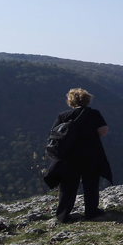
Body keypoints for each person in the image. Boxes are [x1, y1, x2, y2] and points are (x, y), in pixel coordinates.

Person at [44, 88, 113, 223]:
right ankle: (91, 212)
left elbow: (54, 134)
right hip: (90, 154)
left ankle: (63, 215)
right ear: (87, 100)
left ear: (71, 102)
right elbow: (103, 131)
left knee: (68, 186)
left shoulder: (63, 116)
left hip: (68, 157)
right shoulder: (93, 114)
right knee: (91, 184)